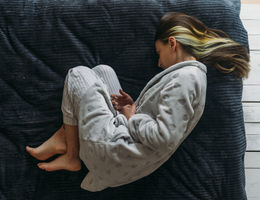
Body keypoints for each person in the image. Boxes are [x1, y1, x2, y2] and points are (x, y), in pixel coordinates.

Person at [26, 12, 250, 191]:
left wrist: (131, 116)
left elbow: (163, 138)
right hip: (124, 149)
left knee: (78, 75)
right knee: (102, 72)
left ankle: (71, 153)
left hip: (114, 154)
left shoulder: (186, 79)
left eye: (159, 53)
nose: (160, 63)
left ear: (172, 43)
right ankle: (67, 137)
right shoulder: (188, 77)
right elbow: (162, 119)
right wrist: (131, 107)